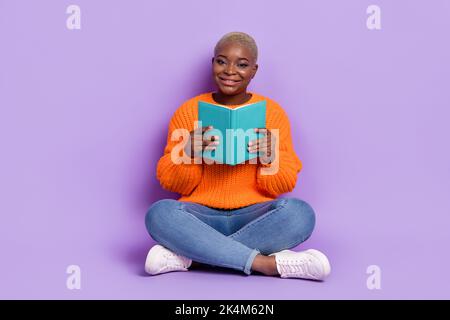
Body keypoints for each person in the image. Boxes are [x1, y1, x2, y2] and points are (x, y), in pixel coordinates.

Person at [144, 32, 331, 280]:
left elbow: (284, 184)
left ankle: (193, 258)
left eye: (242, 65)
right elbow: (173, 183)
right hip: (200, 216)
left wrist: (270, 158)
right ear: (212, 64)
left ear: (254, 70)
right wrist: (188, 153)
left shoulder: (273, 114)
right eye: (222, 61)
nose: (230, 70)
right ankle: (267, 264)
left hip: (255, 216)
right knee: (159, 214)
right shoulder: (188, 112)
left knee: (300, 213)